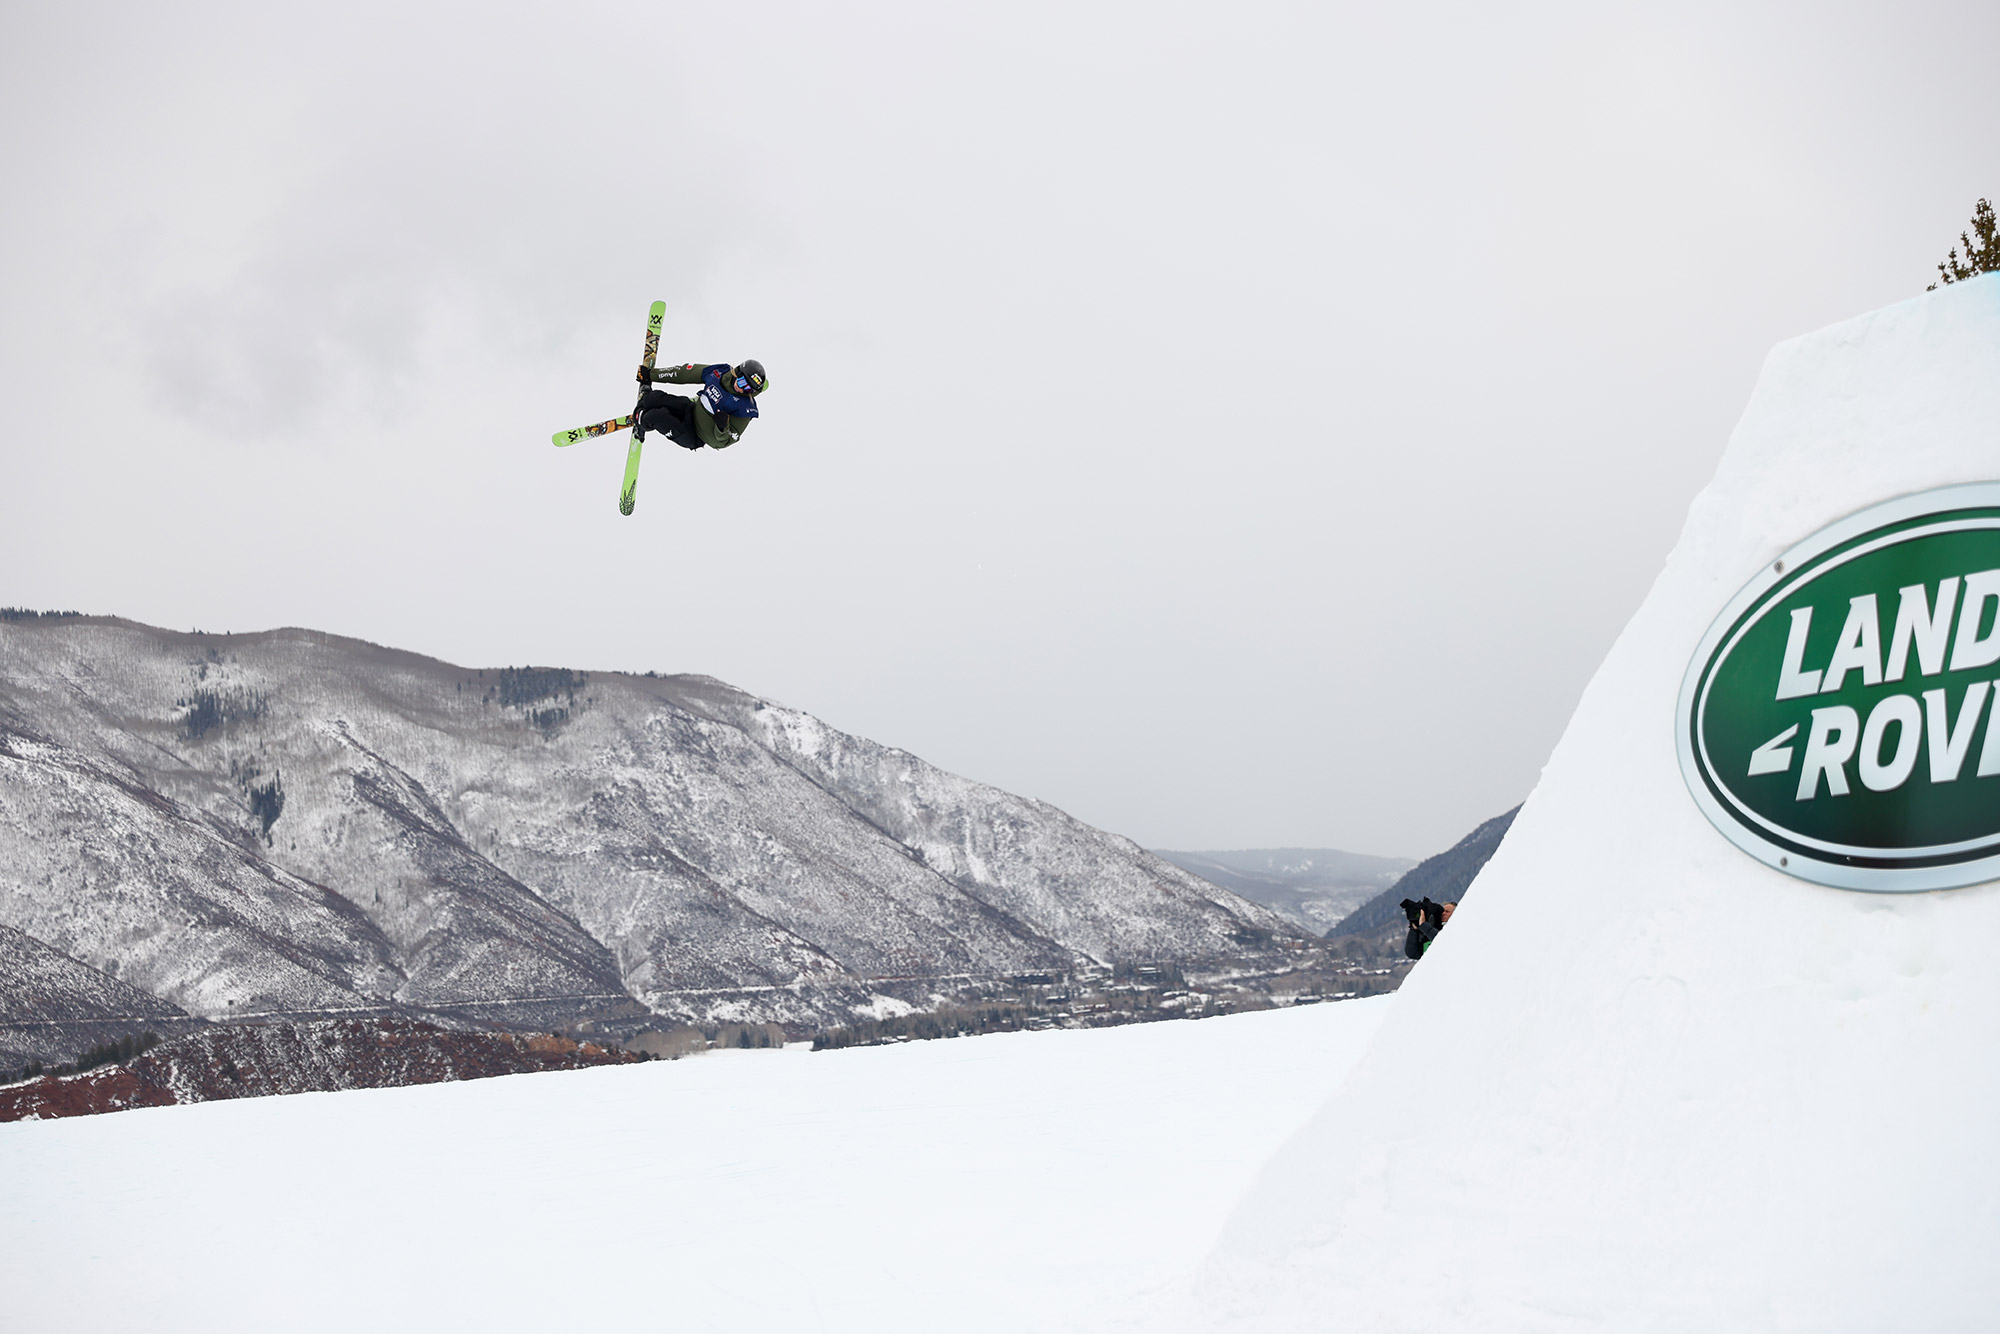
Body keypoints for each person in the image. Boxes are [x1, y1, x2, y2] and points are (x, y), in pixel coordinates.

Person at [633, 359, 767, 451]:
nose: (742, 389)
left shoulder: (745, 408)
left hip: (694, 435)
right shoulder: (720, 373)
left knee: (656, 416)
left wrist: (722, 427)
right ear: (737, 373)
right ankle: (645, 402)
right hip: (690, 410)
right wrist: (651, 375)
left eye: (749, 390)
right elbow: (686, 373)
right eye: (743, 382)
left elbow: (725, 441)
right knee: (652, 399)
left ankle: (640, 421)